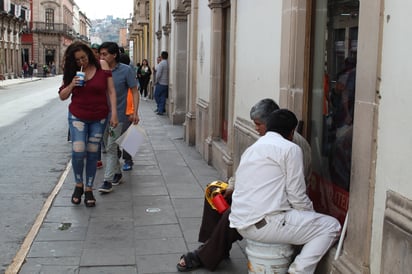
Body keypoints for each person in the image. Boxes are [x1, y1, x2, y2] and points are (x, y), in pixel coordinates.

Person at [176, 98, 312, 272]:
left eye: (258, 124)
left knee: (236, 211)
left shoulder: (294, 146)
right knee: (214, 192)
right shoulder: (266, 139)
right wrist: (232, 187)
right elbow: (245, 171)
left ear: (271, 123)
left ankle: (205, 254)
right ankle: (213, 245)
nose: (256, 128)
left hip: (275, 203)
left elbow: (296, 189)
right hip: (257, 194)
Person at [229, 109, 341, 274]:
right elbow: (297, 196)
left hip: (240, 222)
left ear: (268, 127)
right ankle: (299, 271)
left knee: (305, 222)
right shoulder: (290, 149)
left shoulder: (253, 148)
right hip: (263, 224)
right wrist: (310, 217)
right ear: (292, 132)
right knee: (331, 226)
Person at [58, 41, 118, 207]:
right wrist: (72, 84)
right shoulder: (72, 72)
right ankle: (79, 185)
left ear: (89, 54)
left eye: (83, 58)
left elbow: (111, 90)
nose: (81, 62)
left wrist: (114, 113)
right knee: (78, 151)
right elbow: (62, 96)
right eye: (77, 60)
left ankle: (89, 188)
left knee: (92, 152)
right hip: (78, 115)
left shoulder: (102, 65)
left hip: (99, 116)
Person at [98, 42, 140, 193]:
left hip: (119, 115)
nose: (101, 57)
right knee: (106, 144)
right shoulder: (98, 70)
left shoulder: (126, 70)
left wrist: (135, 112)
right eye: (100, 54)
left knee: (111, 147)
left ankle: (107, 181)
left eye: (105, 54)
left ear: (114, 55)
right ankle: (117, 173)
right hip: (101, 115)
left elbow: (135, 91)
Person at [118, 52, 135, 171]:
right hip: (125, 110)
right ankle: (127, 159)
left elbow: (132, 93)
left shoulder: (127, 72)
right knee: (128, 136)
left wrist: (133, 112)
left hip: (127, 110)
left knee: (128, 136)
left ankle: (127, 159)